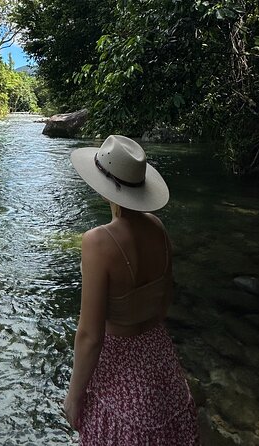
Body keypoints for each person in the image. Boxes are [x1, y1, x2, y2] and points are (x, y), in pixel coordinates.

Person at [64, 135, 199, 445]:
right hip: (162, 366)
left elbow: (90, 336)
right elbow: (163, 304)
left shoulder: (97, 242)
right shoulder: (158, 228)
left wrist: (74, 397)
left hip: (120, 371)